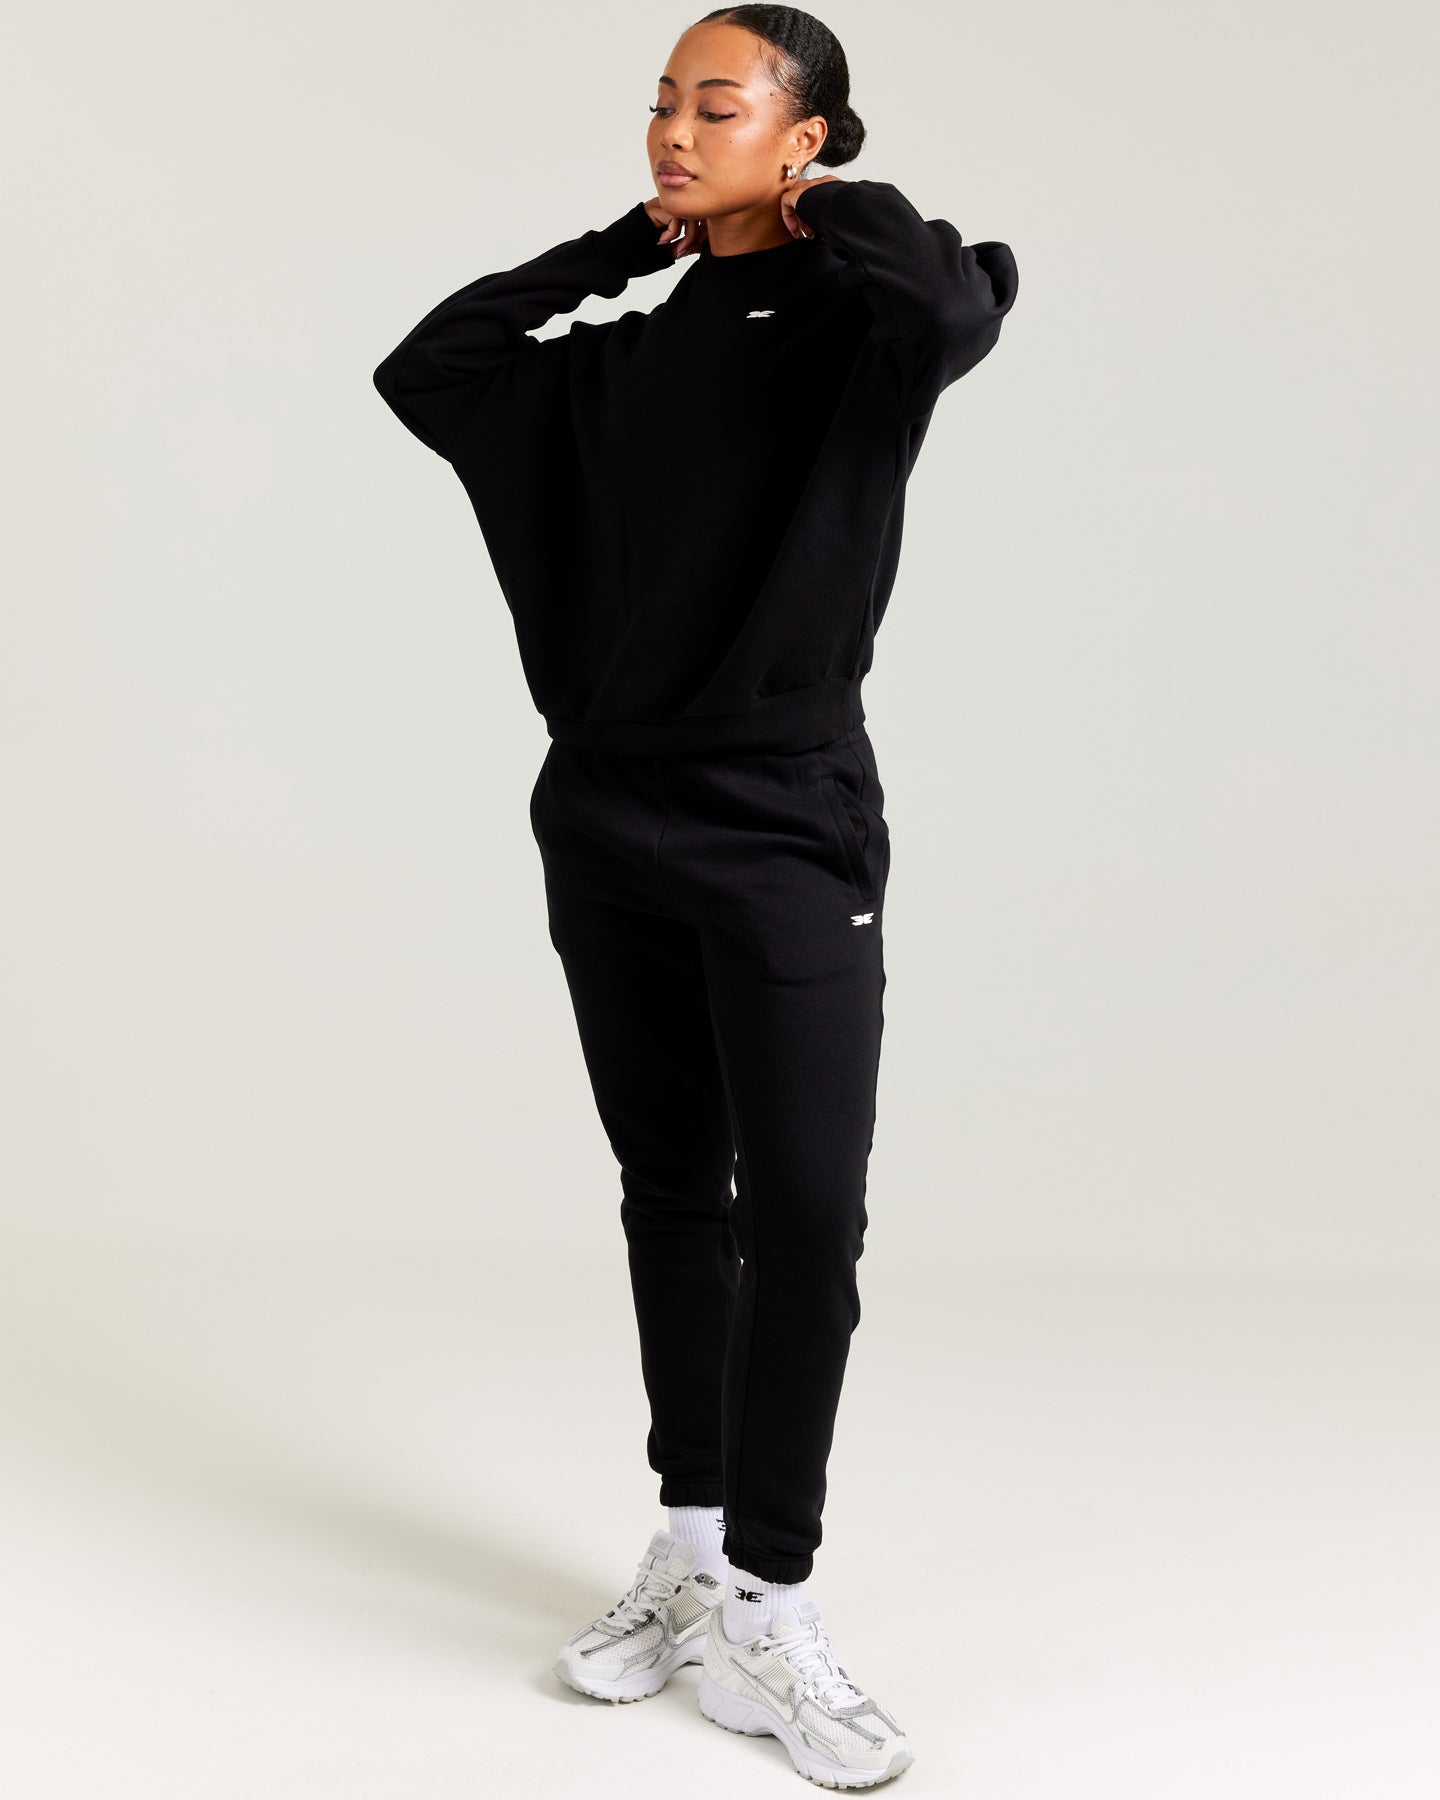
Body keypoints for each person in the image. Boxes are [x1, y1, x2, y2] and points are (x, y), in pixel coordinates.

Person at [373, 4, 1017, 1784]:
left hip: (783, 817)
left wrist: (826, 207)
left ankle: (770, 1606)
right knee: (672, 1189)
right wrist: (621, 248)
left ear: (803, 137)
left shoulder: (867, 331)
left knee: (805, 1212)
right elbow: (426, 369)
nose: (672, 130)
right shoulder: (620, 361)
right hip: (602, 812)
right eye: (661, 103)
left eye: (717, 107)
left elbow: (953, 307)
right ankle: (691, 1537)